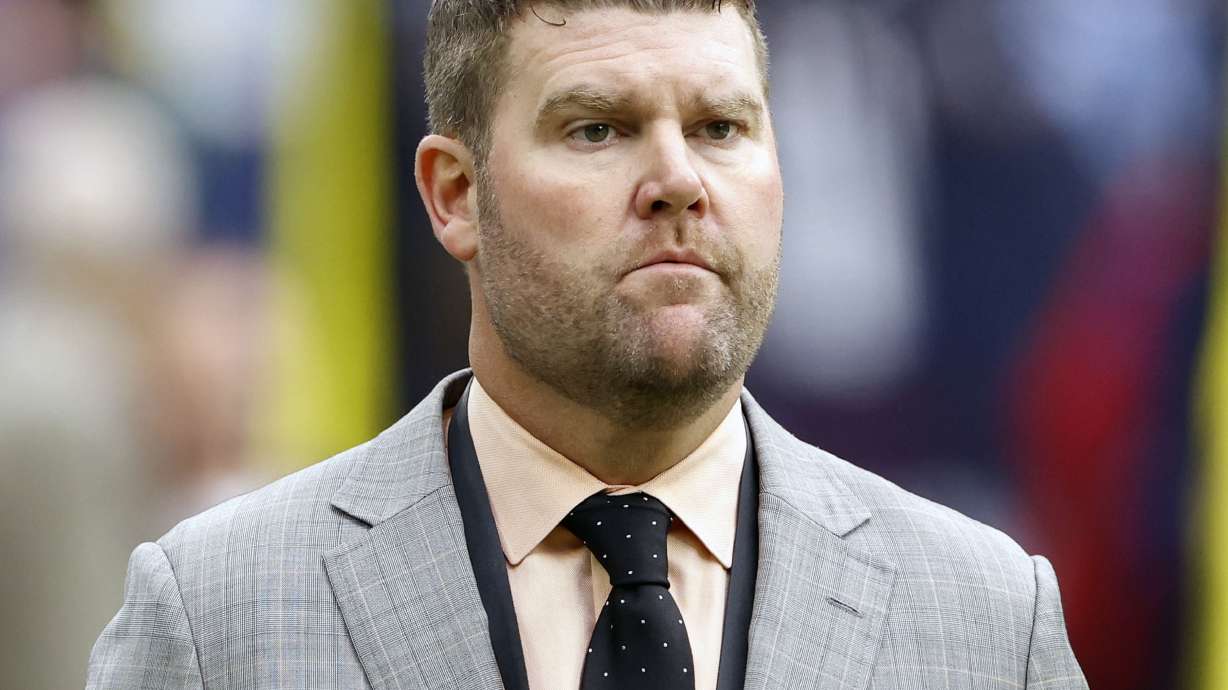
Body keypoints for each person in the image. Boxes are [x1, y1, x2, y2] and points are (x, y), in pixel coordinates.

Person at [88, 2, 1088, 688]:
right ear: (453, 194)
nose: (678, 179)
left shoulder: (986, 620)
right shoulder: (218, 617)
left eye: (722, 126)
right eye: (598, 129)